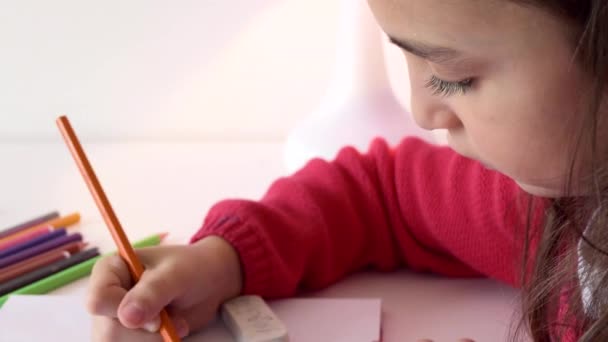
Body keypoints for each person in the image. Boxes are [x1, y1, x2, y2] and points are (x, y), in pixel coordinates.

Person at [86, 1, 608, 341]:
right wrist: (226, 260)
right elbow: (382, 192)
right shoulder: (560, 205)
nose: (422, 113)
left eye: (455, 75)